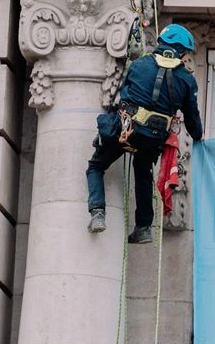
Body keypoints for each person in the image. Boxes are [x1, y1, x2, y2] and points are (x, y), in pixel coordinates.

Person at [87, 23, 204, 242]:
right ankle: (143, 228)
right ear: (182, 52)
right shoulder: (187, 80)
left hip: (126, 130)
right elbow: (193, 122)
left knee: (96, 165)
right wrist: (199, 136)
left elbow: (125, 95)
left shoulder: (139, 65)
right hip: (153, 139)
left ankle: (98, 213)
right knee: (142, 170)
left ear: (162, 43)